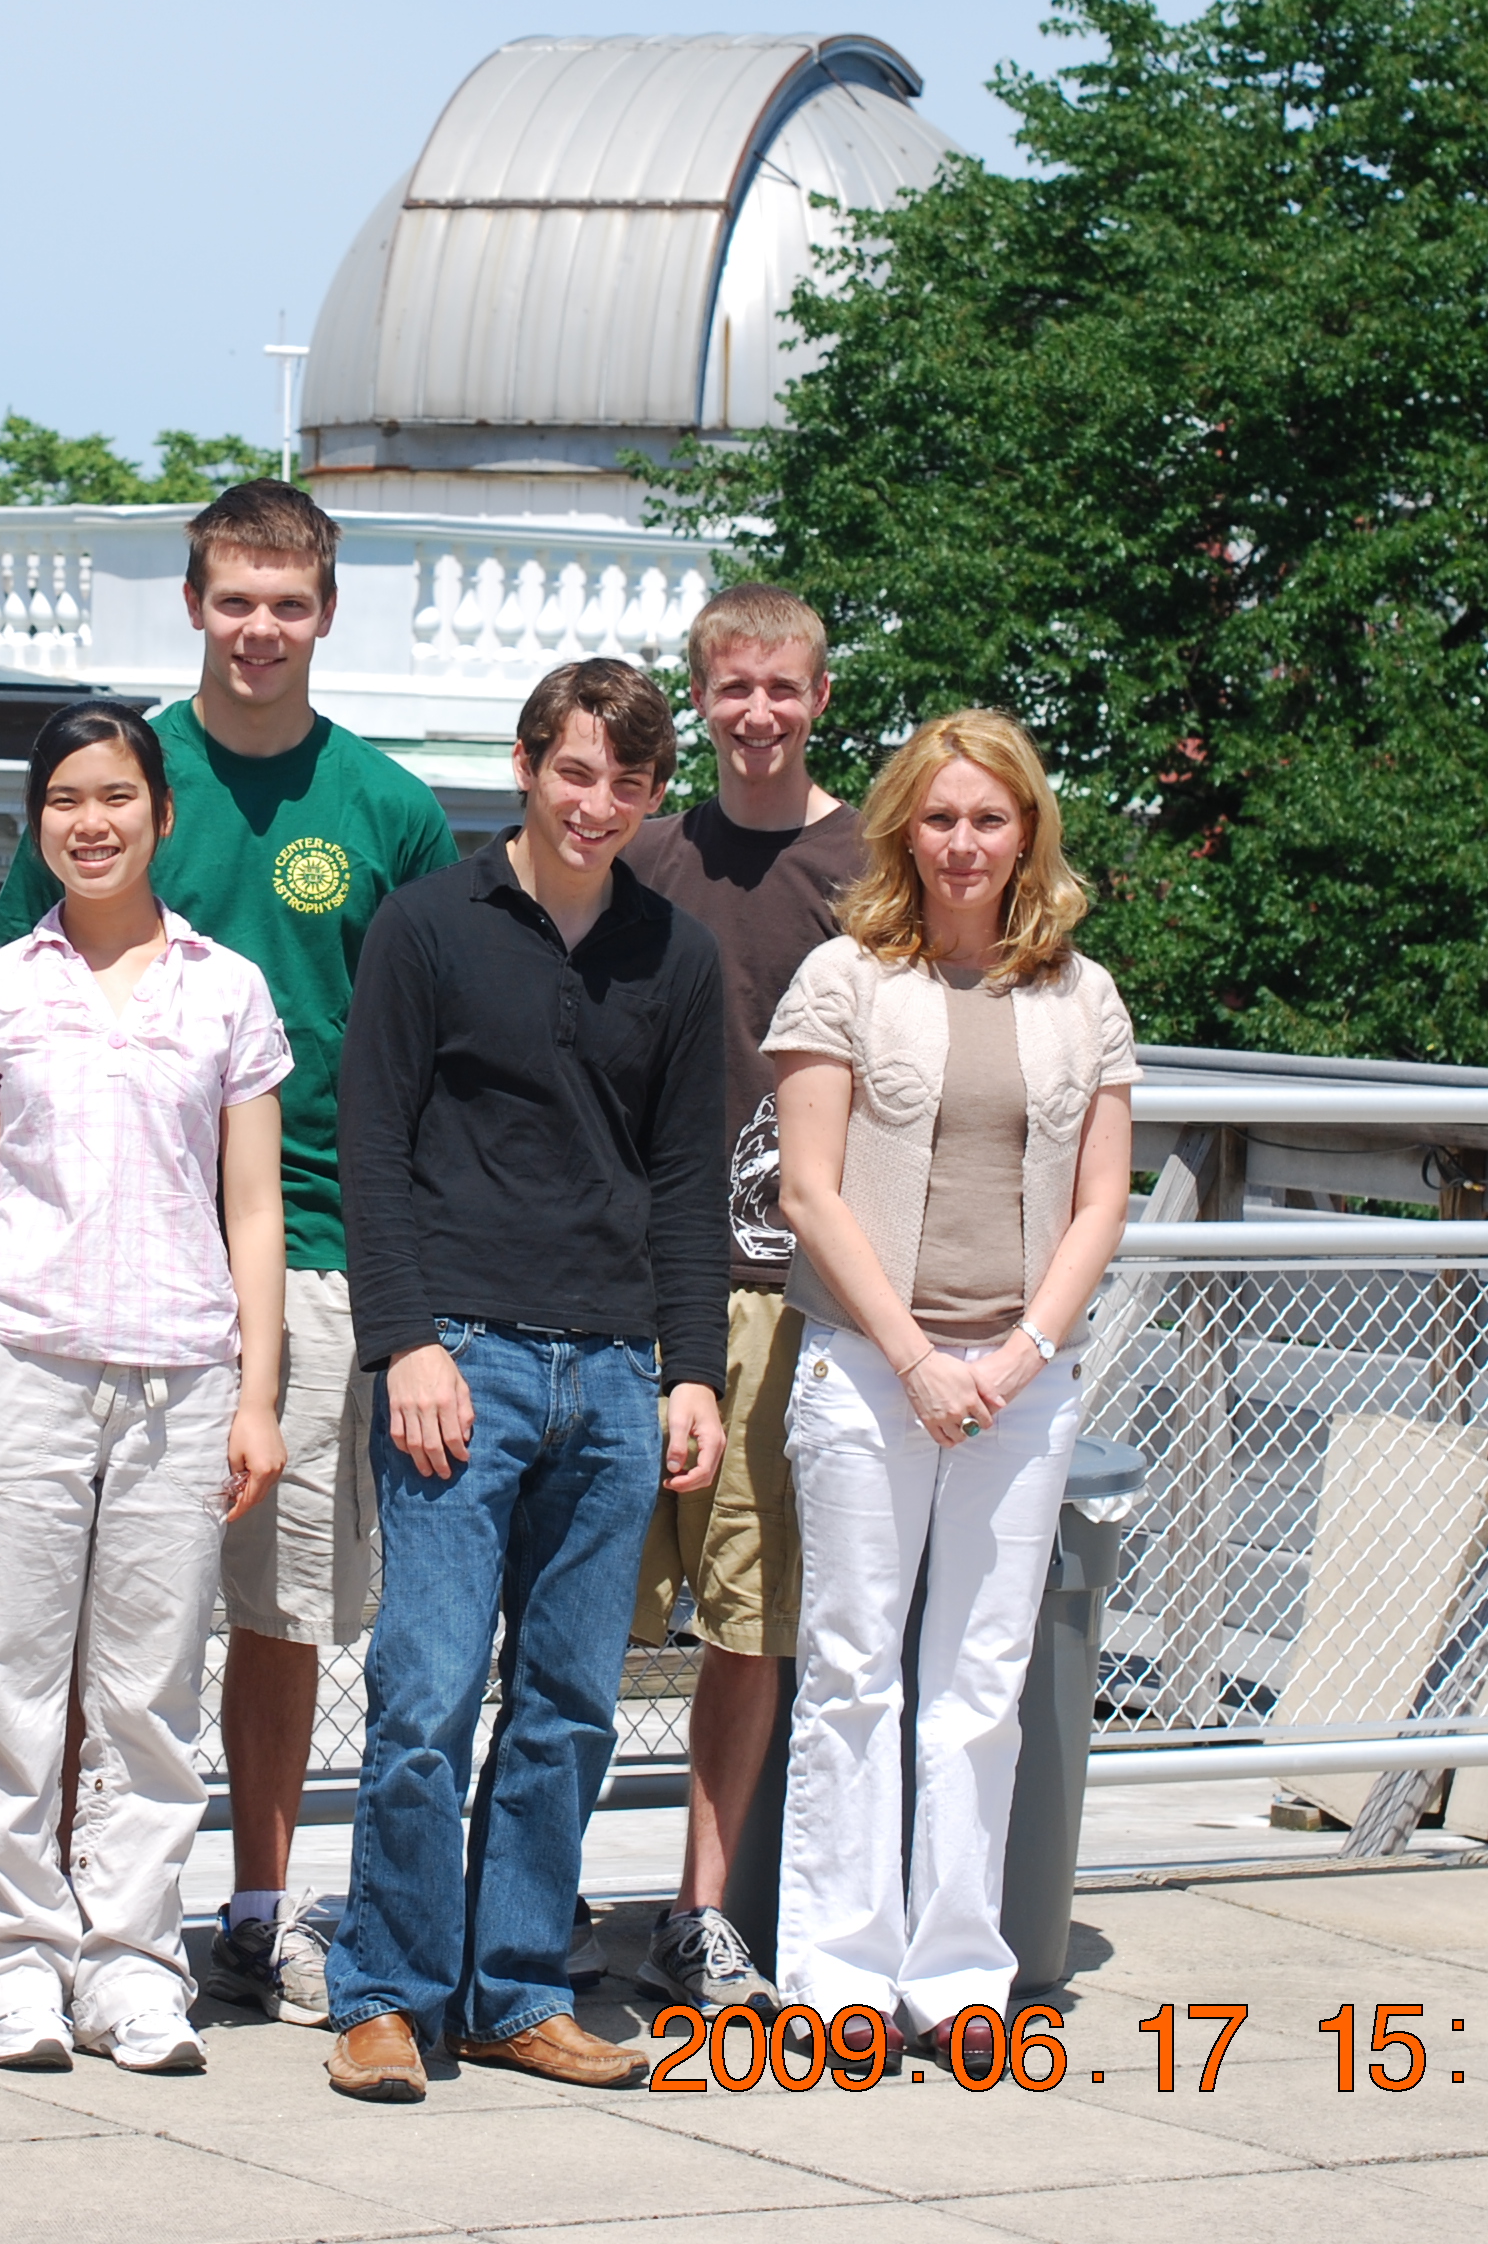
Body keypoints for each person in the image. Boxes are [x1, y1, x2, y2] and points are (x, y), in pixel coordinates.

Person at [0, 482, 452, 2027]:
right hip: (93, 1267)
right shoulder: (117, 775)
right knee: (72, 1623)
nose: (260, 630)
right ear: (193, 604)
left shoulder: (386, 809)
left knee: (278, 1605)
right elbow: (3, 1014)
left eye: (288, 604)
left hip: (304, 1252)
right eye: (235, 600)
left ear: (327, 614)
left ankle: (253, 1907)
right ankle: (51, 1924)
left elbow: (429, 1056)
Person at [325, 657, 729, 2103]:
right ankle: (386, 1994)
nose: (596, 804)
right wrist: (406, 1342)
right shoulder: (429, 924)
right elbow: (372, 1142)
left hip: (616, 1374)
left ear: (653, 794)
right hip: (462, 1358)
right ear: (525, 765)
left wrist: (693, 1372)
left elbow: (687, 1178)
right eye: (574, 772)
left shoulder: (677, 956)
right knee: (425, 1698)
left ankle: (514, 1994)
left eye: (628, 782)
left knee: (568, 1709)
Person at [0, 697, 292, 2074]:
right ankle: (6, 1967)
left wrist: (257, 1394)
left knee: (149, 1697)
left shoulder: (227, 989)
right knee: (9, 1688)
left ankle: (133, 1968)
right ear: (38, 823)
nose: (92, 821)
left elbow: (255, 1207)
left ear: (161, 815)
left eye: (116, 795)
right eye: (65, 799)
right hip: (23, 1363)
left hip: (183, 1376)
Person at [765, 709, 1138, 2075]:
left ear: (1027, 830)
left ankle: (961, 1973)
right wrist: (917, 1359)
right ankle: (837, 1976)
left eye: (989, 818)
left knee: (981, 1683)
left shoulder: (1083, 995)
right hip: (872, 1373)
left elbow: (1102, 1201)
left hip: (1021, 1385)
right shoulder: (844, 979)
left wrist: (1019, 1354)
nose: (964, 843)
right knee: (853, 1673)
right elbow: (809, 1192)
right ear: (902, 832)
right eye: (940, 819)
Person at [613, 584, 867, 2019]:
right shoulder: (648, 853)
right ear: (698, 699)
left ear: (819, 697)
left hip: (782, 1290)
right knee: (583, 1606)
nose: (757, 713)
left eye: (782, 688)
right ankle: (526, 1886)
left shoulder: (872, 866)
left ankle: (697, 1912)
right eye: (732, 688)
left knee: (750, 1618)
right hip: (627, 1283)